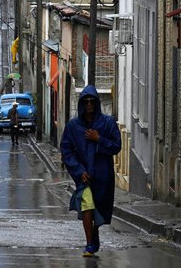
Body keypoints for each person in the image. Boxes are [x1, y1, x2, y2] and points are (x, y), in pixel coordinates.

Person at [60, 85, 121, 257]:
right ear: (81, 104)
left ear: (96, 103)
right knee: (87, 206)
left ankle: (95, 231)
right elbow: (66, 149)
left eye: (92, 101)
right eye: (85, 102)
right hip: (84, 177)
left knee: (101, 209)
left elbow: (116, 146)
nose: (89, 105)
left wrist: (99, 139)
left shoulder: (108, 123)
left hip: (103, 176)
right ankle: (89, 244)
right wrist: (79, 171)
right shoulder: (73, 126)